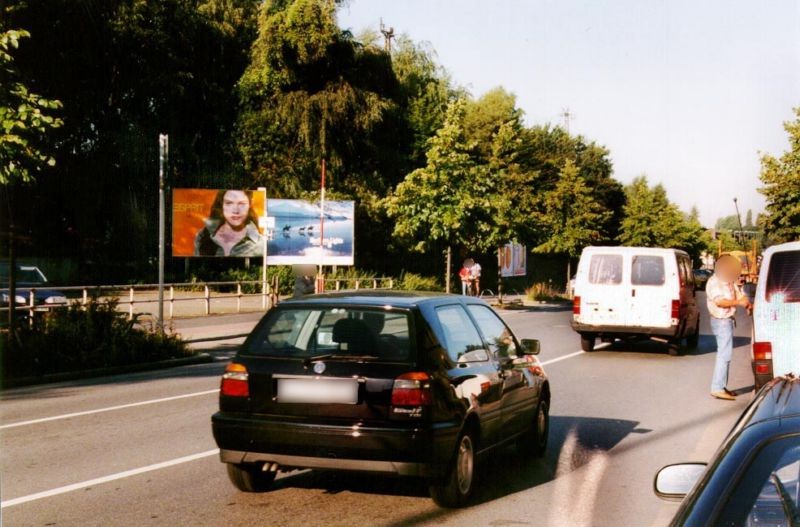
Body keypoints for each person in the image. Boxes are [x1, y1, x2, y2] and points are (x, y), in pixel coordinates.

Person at [706, 254, 752, 400]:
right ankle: (717, 388)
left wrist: (746, 302)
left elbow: (740, 296)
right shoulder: (714, 282)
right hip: (721, 321)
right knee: (724, 355)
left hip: (728, 321)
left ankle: (721, 386)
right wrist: (739, 303)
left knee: (726, 355)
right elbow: (720, 302)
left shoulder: (728, 282)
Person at [194, 190, 264, 257]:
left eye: (242, 203)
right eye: (229, 203)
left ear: (250, 204)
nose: (235, 211)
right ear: (222, 205)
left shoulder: (260, 244)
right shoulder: (203, 236)